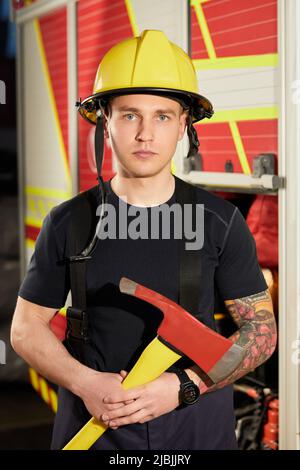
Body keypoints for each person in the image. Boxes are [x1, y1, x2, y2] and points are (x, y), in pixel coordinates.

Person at [11, 30, 277, 450]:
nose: (146, 134)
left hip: (195, 424)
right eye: (130, 115)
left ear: (184, 124)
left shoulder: (219, 221)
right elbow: (26, 329)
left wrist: (183, 386)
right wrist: (86, 383)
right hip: (95, 421)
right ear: (104, 120)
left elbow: (260, 333)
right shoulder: (68, 222)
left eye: (163, 116)